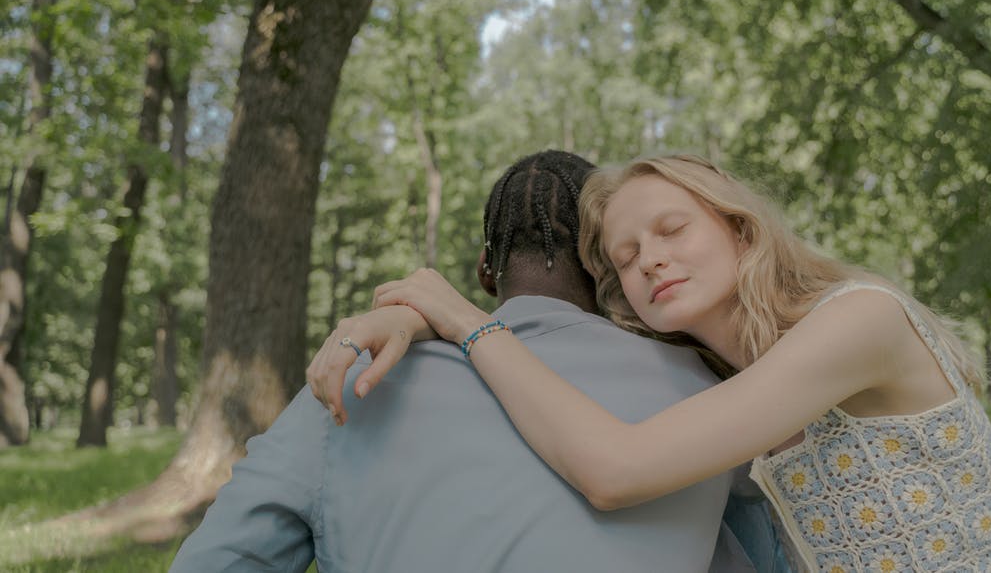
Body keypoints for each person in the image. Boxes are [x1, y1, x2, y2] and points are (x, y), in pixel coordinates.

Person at [318, 154, 991, 572]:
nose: (652, 258)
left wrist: (461, 319)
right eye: (626, 256)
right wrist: (403, 314)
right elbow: (550, 360)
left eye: (672, 229)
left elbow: (616, 470)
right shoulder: (704, 370)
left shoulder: (861, 318)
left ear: (739, 228)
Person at [171, 151, 766, 573]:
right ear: (610, 271)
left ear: (485, 271)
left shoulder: (351, 379)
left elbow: (221, 559)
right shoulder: (710, 388)